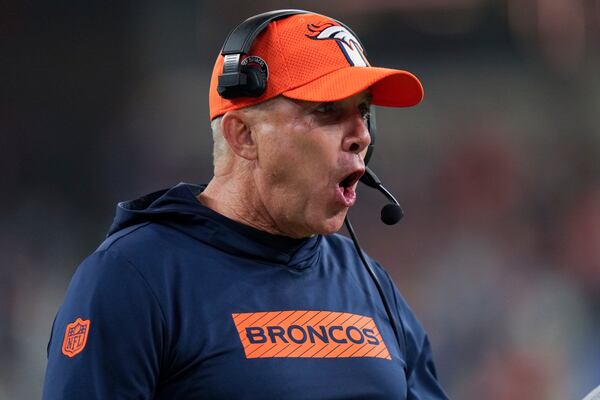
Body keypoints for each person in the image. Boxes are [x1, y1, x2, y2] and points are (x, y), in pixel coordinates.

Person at [43, 10, 448, 399]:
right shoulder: (135, 277)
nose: (361, 134)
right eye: (327, 110)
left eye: (363, 112)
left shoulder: (368, 282)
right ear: (244, 136)